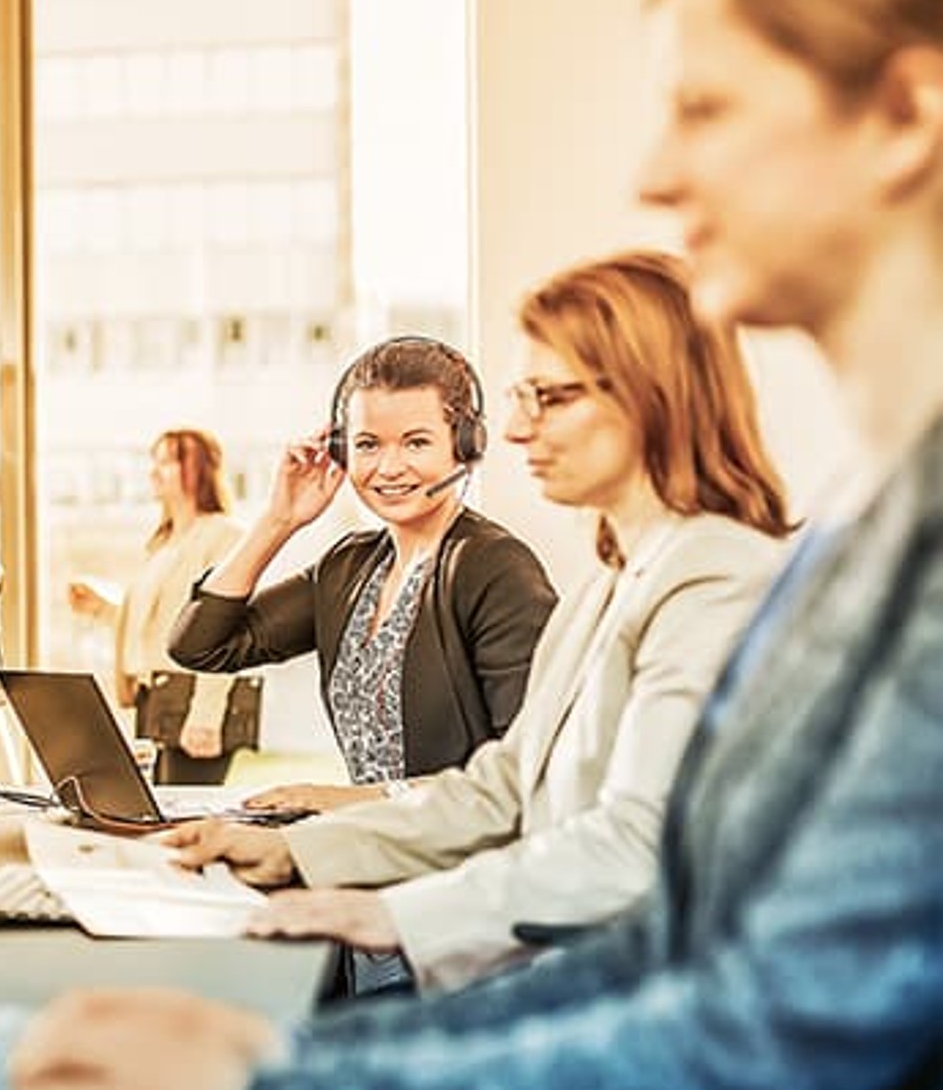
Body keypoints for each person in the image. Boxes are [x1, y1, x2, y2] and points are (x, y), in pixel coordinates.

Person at [4, 0, 943, 1090]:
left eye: (706, 109)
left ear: (906, 113)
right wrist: (300, 1037)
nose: (656, 174)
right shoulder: (839, 524)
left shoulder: (770, 563)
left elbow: (752, 1025)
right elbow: (651, 915)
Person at [179, 250, 794, 994]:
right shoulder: (615, 577)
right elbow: (503, 787)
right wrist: (298, 855)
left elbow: (634, 847)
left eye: (551, 397)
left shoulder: (711, 576)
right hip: (549, 965)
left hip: (626, 999)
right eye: (519, 396)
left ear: (653, 398)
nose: (518, 428)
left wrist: (394, 917)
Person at [167, 336, 556, 816]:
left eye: (416, 442)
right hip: (373, 848)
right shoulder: (348, 568)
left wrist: (350, 801)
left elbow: (530, 769)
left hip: (463, 861)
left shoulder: (495, 569)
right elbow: (200, 646)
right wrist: (278, 521)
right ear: (341, 452)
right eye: (368, 445)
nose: (389, 468)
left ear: (464, 446)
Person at [66, 429, 250, 785]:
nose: (154, 471)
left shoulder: (224, 535)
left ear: (198, 468)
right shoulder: (163, 544)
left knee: (183, 825)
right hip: (157, 702)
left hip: (193, 703)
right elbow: (162, 625)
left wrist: (207, 715)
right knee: (161, 820)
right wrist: (101, 608)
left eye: (166, 461)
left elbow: (225, 629)